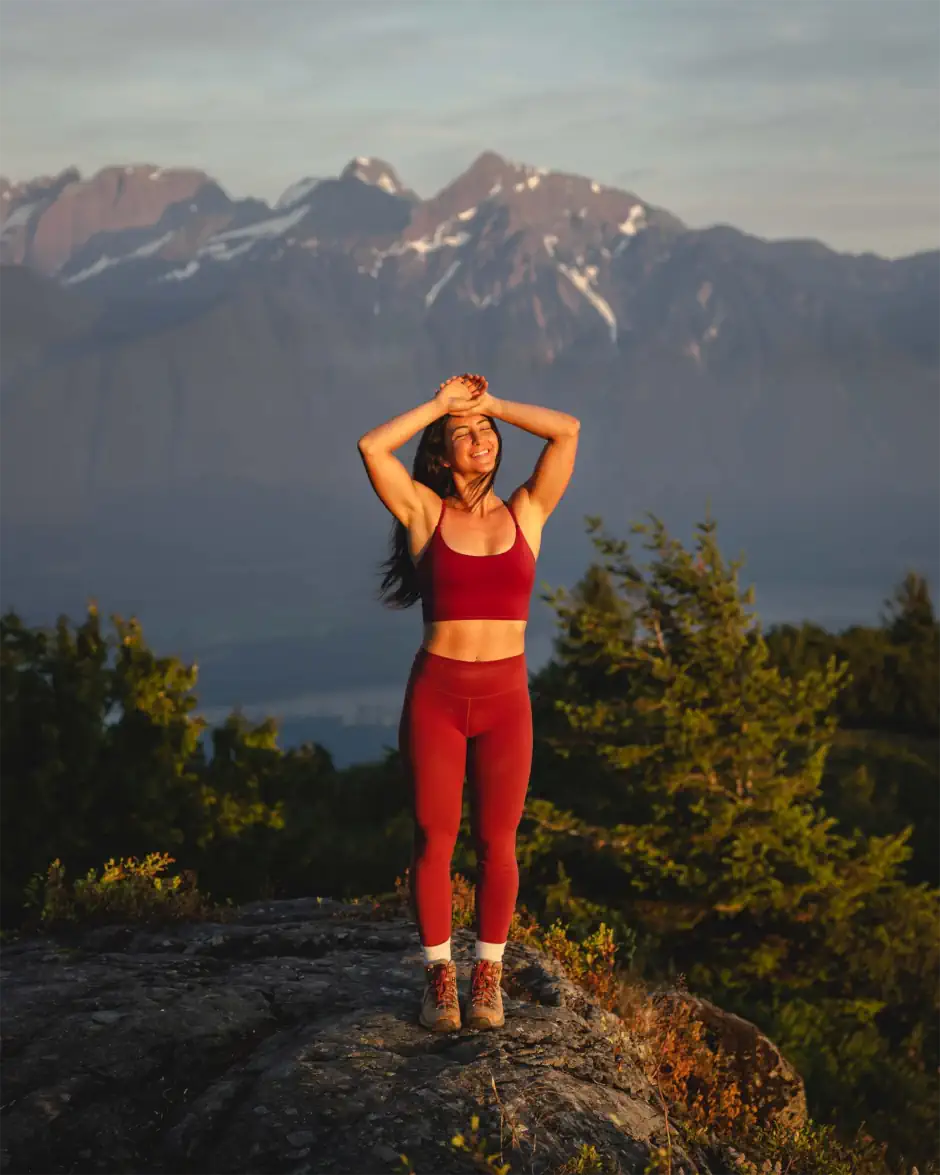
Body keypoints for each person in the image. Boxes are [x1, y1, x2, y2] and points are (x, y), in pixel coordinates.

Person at [357, 373, 580, 1032]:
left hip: (507, 699)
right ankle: (439, 982)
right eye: (465, 434)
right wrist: (440, 406)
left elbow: (567, 430)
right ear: (443, 455)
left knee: (498, 842)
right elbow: (372, 447)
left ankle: (487, 974)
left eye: (487, 432)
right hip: (439, 696)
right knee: (435, 838)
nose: (481, 437)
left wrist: (492, 404)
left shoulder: (527, 511)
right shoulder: (427, 512)